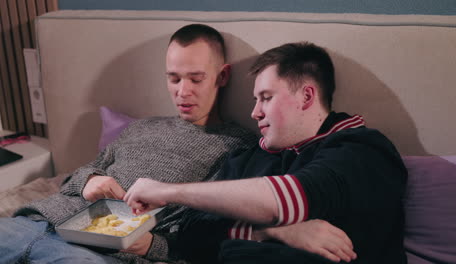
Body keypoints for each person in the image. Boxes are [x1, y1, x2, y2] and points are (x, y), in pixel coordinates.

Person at [124, 42, 408, 264]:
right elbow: (192, 234)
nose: (255, 112)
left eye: (266, 98)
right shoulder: (249, 157)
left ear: (306, 97)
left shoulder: (362, 150)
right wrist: (272, 232)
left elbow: (290, 198)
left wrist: (167, 191)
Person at [0, 24, 259, 264]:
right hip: (36, 221)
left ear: (222, 76)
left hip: (92, 252)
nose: (182, 91)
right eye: (174, 78)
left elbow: (212, 236)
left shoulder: (237, 147)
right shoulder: (142, 127)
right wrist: (89, 180)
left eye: (196, 79)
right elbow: (71, 181)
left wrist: (153, 246)